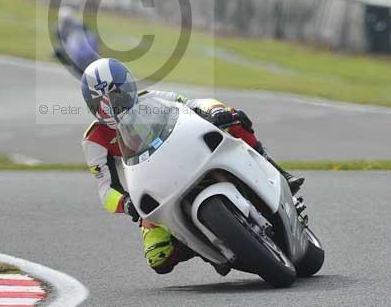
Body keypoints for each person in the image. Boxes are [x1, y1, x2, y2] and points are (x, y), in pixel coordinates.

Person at [81, 57, 303, 276]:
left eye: (115, 96)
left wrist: (215, 110)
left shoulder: (152, 100)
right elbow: (105, 188)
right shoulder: (94, 139)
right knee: (159, 258)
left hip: (188, 156)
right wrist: (127, 203)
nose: (111, 108)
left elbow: (192, 104)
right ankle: (198, 243)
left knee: (233, 119)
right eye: (101, 106)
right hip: (152, 188)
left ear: (128, 87)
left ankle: (275, 168)